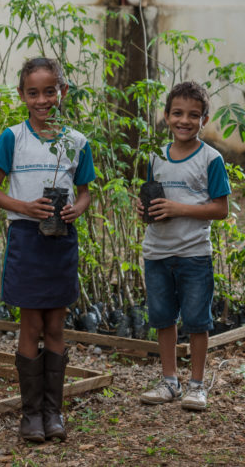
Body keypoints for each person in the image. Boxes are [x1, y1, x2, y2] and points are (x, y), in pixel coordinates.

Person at [0, 57, 95, 442]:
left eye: (51, 91)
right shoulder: (13, 138)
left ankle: (54, 412)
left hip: (61, 242)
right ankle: (31, 415)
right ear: (22, 95)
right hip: (27, 241)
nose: (43, 99)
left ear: (62, 92)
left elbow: (85, 194)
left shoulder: (76, 142)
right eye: (34, 93)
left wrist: (75, 211)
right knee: (31, 324)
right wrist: (26, 208)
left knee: (56, 325)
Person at [137, 81, 230, 411]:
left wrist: (179, 209)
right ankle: (169, 381)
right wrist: (143, 210)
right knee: (163, 318)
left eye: (194, 115)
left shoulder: (211, 159)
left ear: (204, 120)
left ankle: (196, 384)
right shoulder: (155, 157)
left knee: (197, 321)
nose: (184, 121)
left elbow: (221, 209)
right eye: (177, 113)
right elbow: (154, 198)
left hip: (194, 255)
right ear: (166, 116)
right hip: (157, 252)